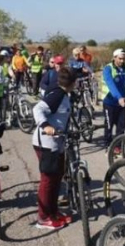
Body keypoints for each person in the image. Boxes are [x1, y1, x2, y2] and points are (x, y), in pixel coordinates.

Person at [32, 68, 76, 230]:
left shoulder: (64, 94)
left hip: (58, 142)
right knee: (48, 180)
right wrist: (45, 125)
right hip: (46, 143)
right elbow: (38, 109)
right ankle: (43, 218)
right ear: (73, 83)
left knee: (57, 178)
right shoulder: (57, 95)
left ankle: (53, 211)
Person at [101, 48, 125, 148]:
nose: (122, 61)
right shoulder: (108, 69)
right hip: (109, 101)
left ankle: (117, 147)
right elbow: (111, 84)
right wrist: (119, 97)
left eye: (124, 59)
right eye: (120, 59)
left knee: (121, 127)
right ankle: (108, 146)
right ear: (114, 58)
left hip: (123, 102)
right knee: (109, 126)